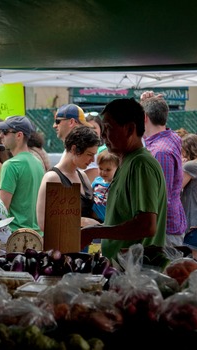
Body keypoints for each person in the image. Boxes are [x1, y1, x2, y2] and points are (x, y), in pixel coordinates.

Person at [80, 98, 167, 259]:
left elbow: (146, 225)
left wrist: (94, 232)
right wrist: (97, 226)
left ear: (129, 129)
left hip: (137, 274)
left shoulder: (140, 164)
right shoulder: (126, 162)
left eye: (108, 128)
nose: (103, 136)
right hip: (121, 271)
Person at [141, 92, 186, 248]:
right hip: (166, 226)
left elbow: (161, 198)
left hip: (164, 230)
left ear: (145, 118)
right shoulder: (170, 136)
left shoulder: (160, 152)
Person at [37, 125, 99, 232]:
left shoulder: (82, 176)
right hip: (63, 246)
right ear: (74, 149)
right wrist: (83, 221)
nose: (92, 160)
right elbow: (43, 223)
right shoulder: (53, 178)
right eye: (89, 154)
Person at [0, 116, 45, 234]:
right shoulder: (37, 162)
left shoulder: (11, 165)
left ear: (19, 135)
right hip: (37, 236)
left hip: (17, 236)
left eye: (5, 132)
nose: (0, 135)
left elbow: (2, 210)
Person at [91, 149, 120, 222]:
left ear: (118, 168)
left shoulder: (118, 184)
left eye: (108, 170)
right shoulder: (97, 181)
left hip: (110, 221)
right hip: (95, 219)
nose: (103, 172)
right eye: (100, 168)